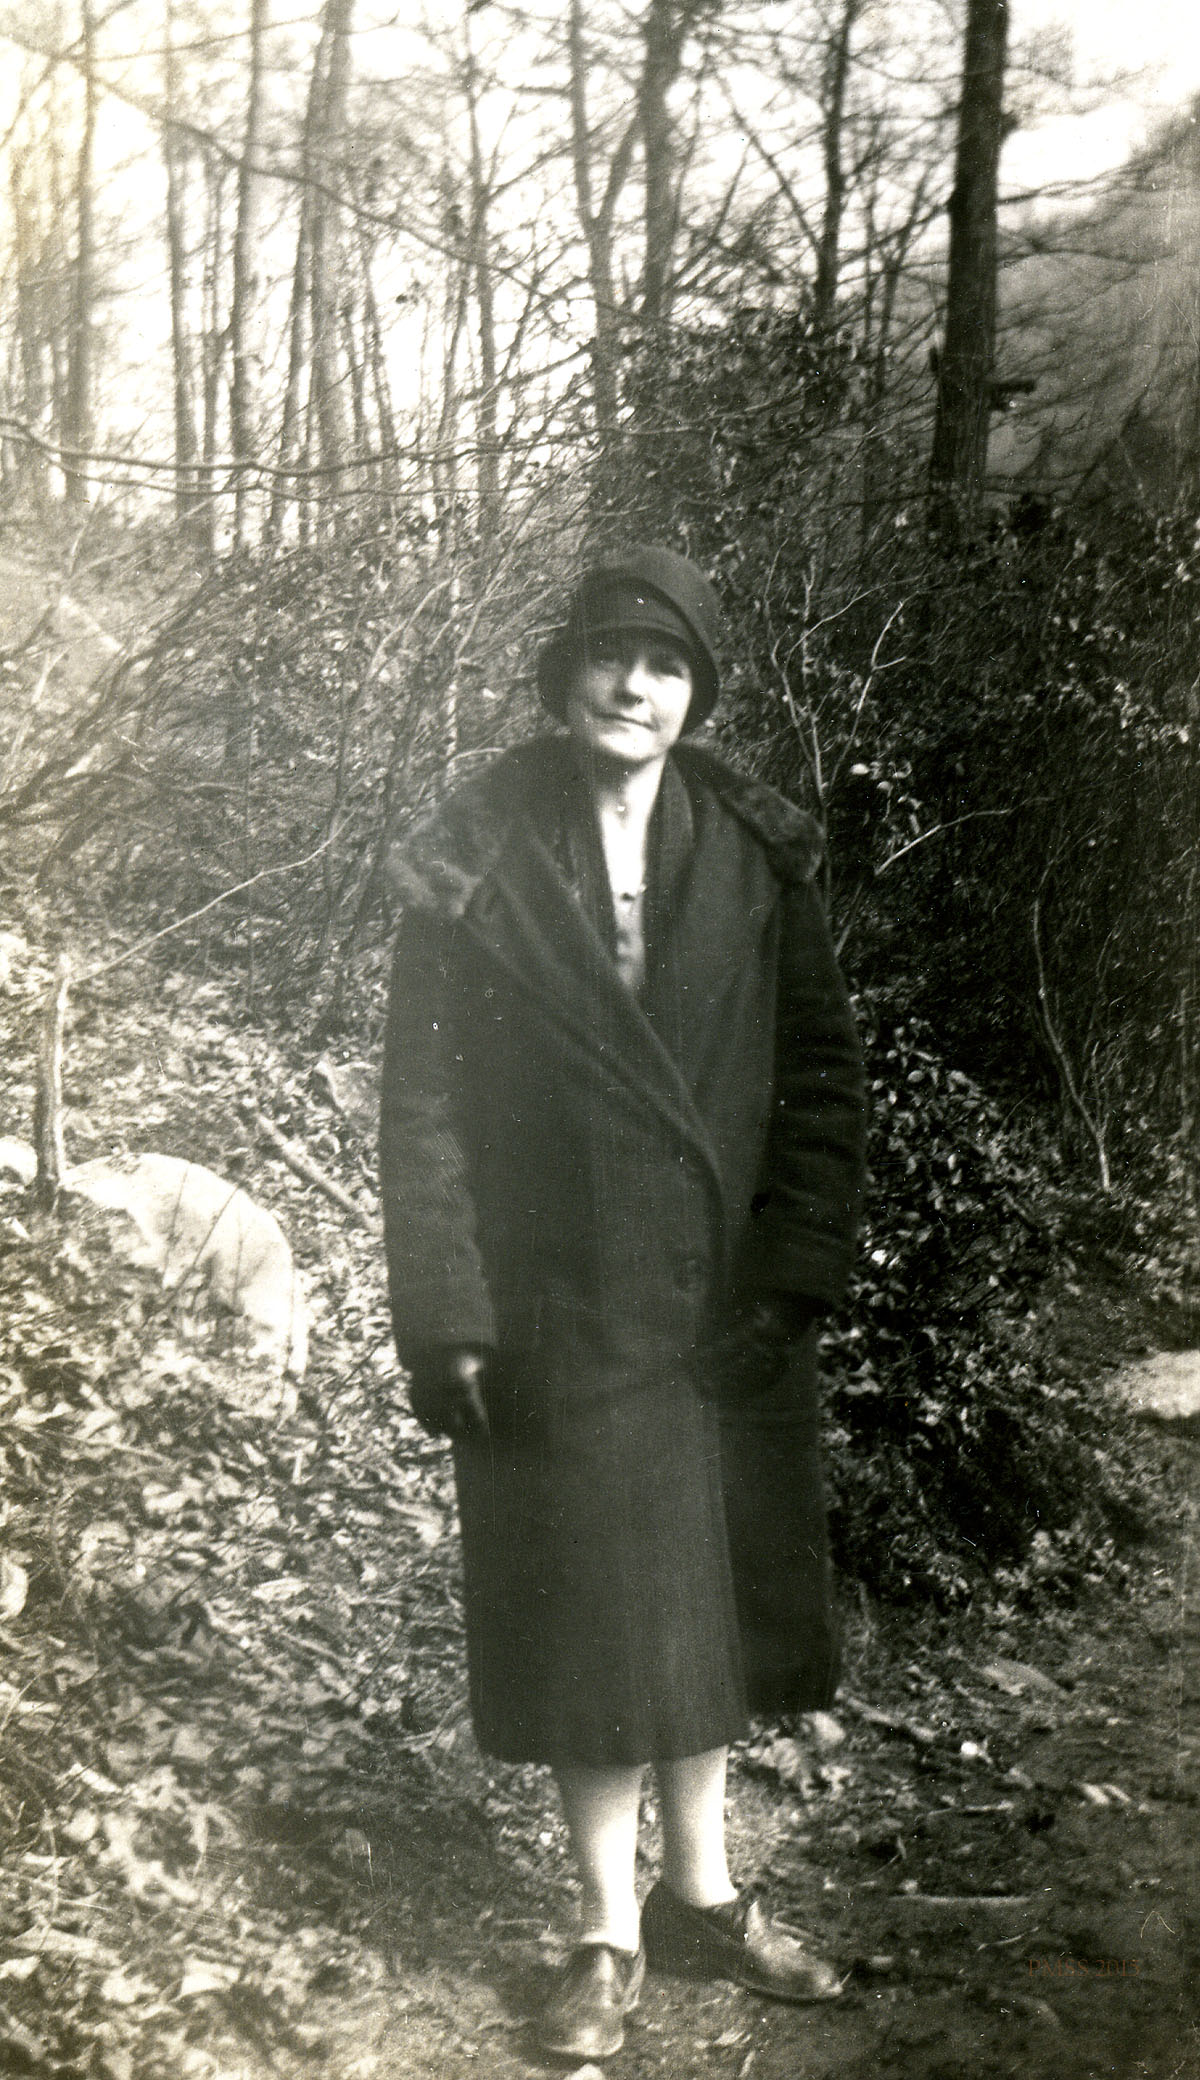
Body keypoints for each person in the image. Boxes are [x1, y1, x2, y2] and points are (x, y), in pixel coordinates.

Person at [380, 544, 866, 2061]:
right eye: (609, 654)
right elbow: (423, 1106)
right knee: (590, 1614)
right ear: (563, 672)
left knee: (703, 1603)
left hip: (717, 1304)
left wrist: (789, 1278)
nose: (633, 685)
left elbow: (822, 1084)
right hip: (558, 1300)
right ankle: (605, 1926)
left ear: (697, 694)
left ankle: (703, 1896)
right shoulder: (476, 853)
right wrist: (449, 1315)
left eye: (666, 665)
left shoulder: (758, 854)